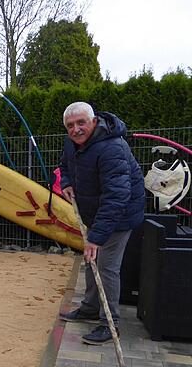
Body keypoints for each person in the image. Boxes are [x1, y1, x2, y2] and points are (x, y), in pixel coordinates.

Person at [57, 102, 145, 345]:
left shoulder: (112, 148)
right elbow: (65, 165)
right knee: (91, 259)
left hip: (120, 213)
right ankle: (89, 307)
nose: (76, 129)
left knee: (106, 265)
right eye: (70, 126)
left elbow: (117, 197)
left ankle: (109, 324)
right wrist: (66, 182)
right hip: (94, 211)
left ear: (94, 121)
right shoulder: (71, 143)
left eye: (81, 123)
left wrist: (96, 237)